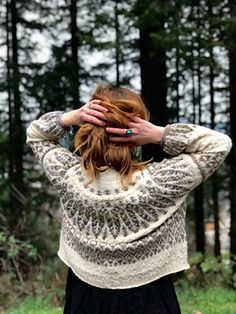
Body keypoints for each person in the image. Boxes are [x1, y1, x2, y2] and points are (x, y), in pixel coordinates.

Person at [26, 84, 232, 314]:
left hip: (85, 296)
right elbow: (218, 145)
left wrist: (71, 117)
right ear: (137, 131)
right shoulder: (162, 181)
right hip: (150, 297)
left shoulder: (68, 176)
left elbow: (36, 135)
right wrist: (158, 134)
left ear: (89, 127)